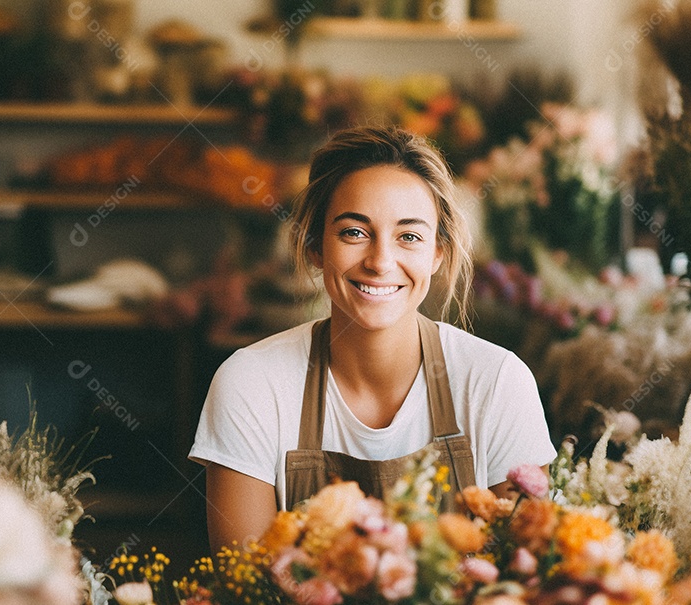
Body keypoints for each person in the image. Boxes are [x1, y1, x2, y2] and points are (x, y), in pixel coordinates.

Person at [189, 126, 555, 551]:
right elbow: (245, 587)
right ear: (314, 246)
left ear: (437, 253)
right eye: (353, 232)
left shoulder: (497, 383)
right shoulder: (251, 384)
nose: (381, 261)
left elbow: (525, 578)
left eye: (409, 237)